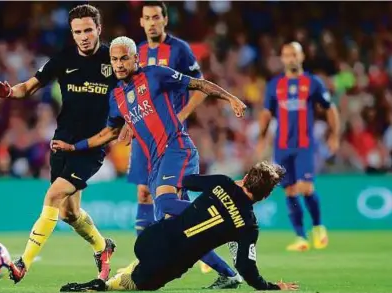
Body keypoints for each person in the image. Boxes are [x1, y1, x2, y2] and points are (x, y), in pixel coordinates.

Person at [51, 36, 246, 288]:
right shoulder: (117, 97)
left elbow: (198, 83)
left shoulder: (155, 74)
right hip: (155, 163)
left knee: (166, 203)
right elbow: (108, 133)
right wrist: (73, 146)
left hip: (177, 148)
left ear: (135, 58)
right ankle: (230, 275)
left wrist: (230, 98)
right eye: (114, 59)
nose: (119, 64)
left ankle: (227, 221)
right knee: (177, 229)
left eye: (124, 58)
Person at [0, 4, 118, 283]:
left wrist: (129, 123)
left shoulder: (113, 60)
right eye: (77, 32)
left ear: (99, 29)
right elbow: (29, 86)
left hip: (90, 147)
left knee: (53, 197)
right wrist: (9, 91)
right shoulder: (64, 58)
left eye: (88, 30)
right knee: (69, 213)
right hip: (62, 144)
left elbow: (133, 88)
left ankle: (23, 263)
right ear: (72, 33)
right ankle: (102, 247)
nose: (83, 36)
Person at [59, 161, 299, 292]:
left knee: (145, 261)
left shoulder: (223, 183)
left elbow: (189, 181)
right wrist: (271, 287)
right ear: (265, 196)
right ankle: (102, 287)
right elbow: (246, 267)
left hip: (150, 239)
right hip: (172, 264)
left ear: (245, 178)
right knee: (138, 284)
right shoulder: (248, 226)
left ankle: (105, 281)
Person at [119, 0, 231, 280]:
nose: (152, 22)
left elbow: (201, 86)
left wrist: (180, 115)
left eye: (157, 17)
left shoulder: (179, 49)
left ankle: (216, 234)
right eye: (147, 18)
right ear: (141, 22)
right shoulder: (135, 52)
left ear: (164, 20)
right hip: (146, 141)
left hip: (169, 137)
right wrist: (131, 122)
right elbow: (130, 94)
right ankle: (146, 260)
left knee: (172, 208)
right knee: (145, 195)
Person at [256, 42, 340, 251]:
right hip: (282, 146)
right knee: (290, 191)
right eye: (286, 55)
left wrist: (335, 135)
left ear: (302, 57)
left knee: (306, 188)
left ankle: (318, 227)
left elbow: (330, 109)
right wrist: (261, 137)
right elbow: (267, 113)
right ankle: (301, 237)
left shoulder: (313, 83)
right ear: (282, 59)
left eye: (294, 54)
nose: (290, 58)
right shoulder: (274, 85)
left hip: (304, 145)